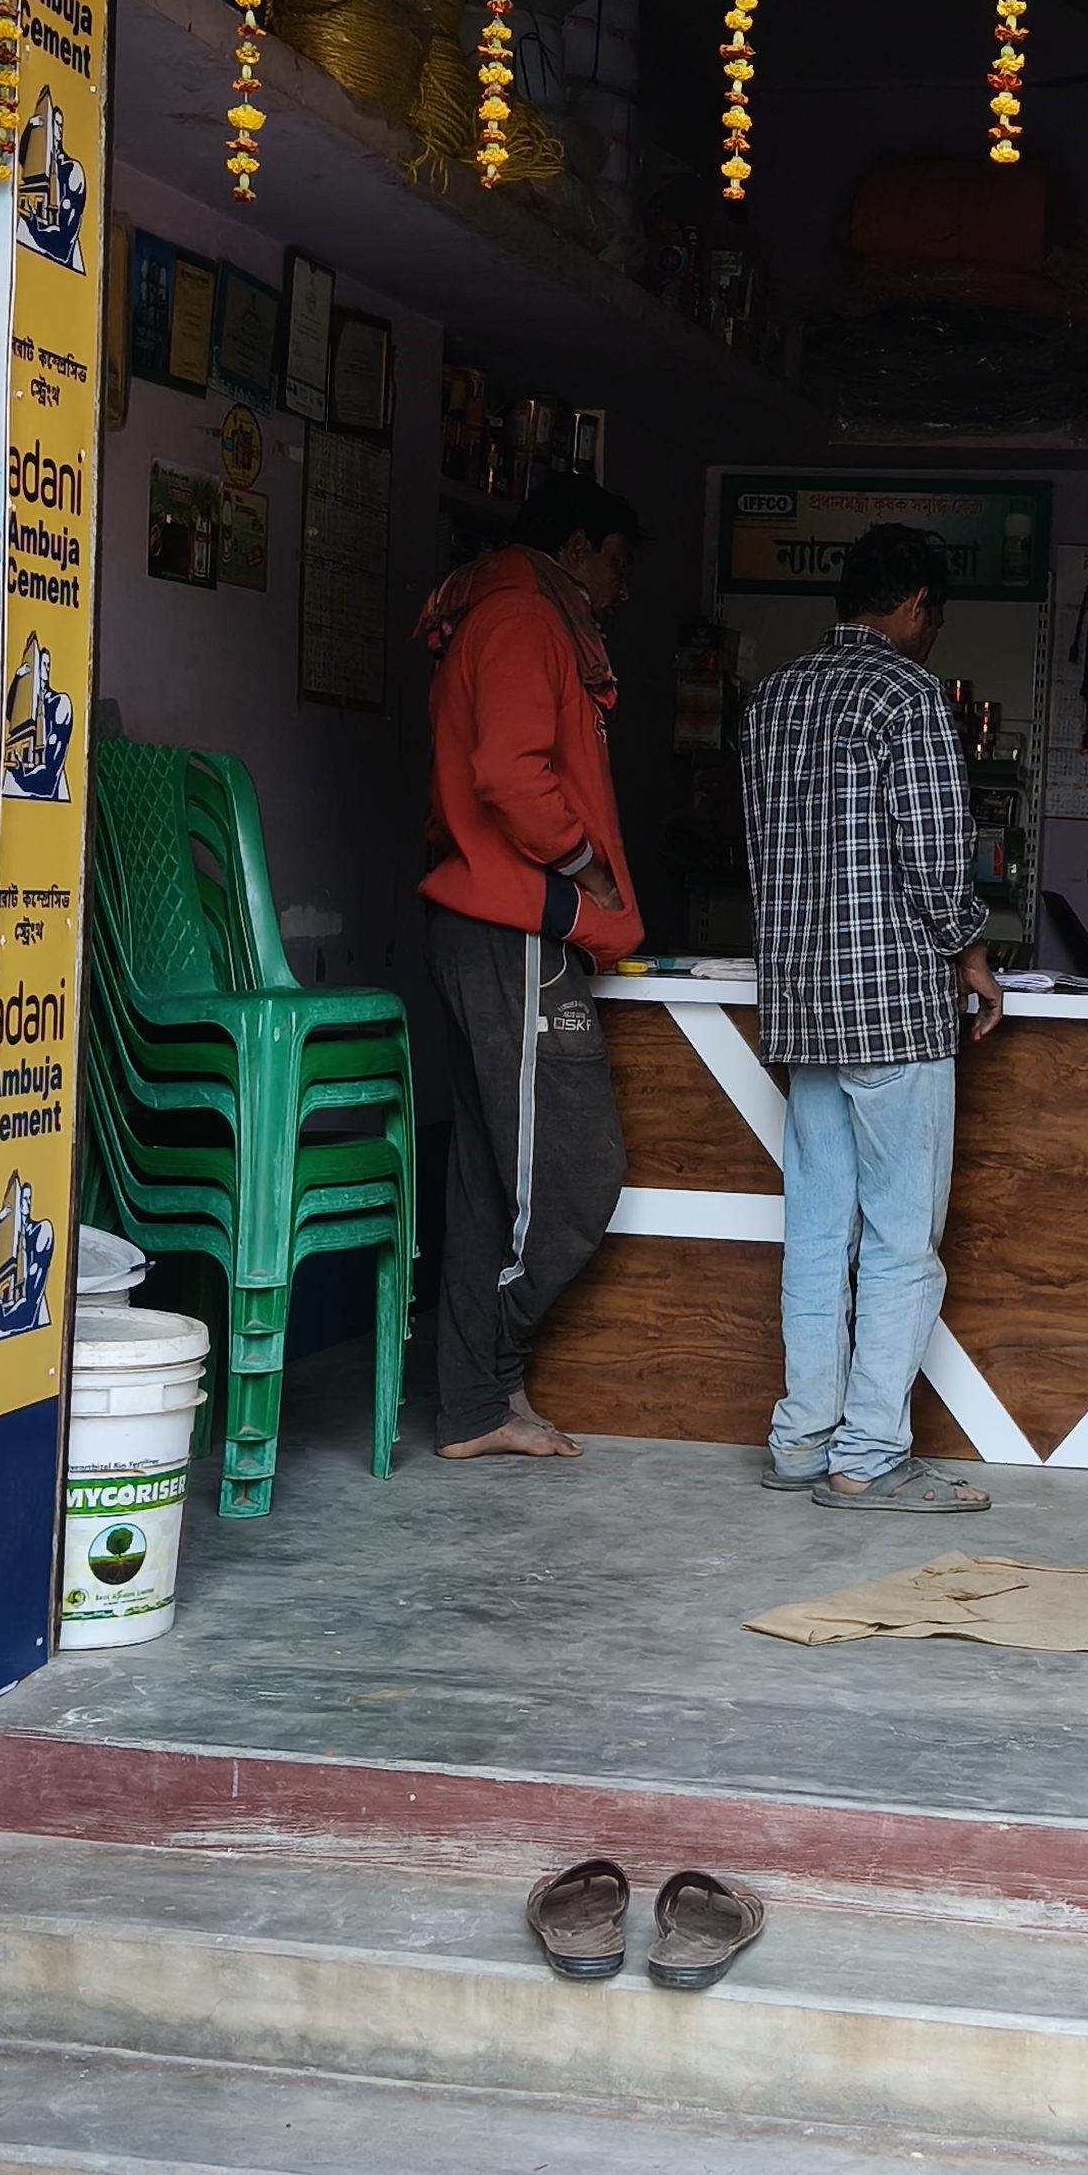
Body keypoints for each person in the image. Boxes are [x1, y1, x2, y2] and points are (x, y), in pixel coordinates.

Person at [741, 519, 1004, 1512]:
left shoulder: (771, 699)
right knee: (900, 1240)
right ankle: (869, 1456)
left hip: (803, 1010)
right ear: (915, 606)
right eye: (935, 615)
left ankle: (802, 1439)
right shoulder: (908, 695)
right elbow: (937, 861)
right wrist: (973, 952)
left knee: (817, 1231)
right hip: (894, 1010)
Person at [416, 474, 644, 1461]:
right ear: (577, 548)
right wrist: (587, 866)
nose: (622, 590)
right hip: (512, 925)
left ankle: (477, 1404)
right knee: (576, 1175)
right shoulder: (522, 618)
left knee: (490, 1181)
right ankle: (486, 1371)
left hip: (496, 924)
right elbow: (509, 773)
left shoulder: (510, 612)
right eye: (616, 564)